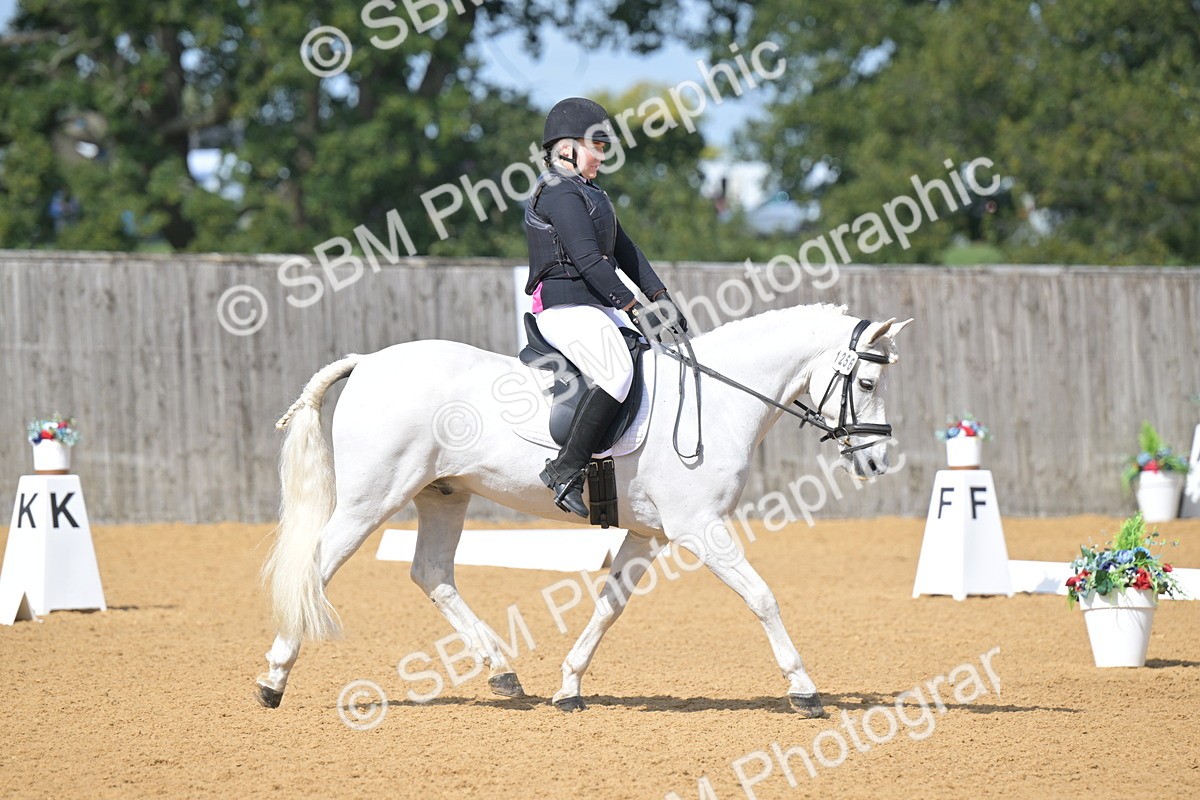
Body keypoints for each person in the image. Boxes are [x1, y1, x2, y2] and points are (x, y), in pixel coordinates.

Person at [524, 97, 688, 517]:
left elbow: (625, 250)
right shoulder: (558, 193)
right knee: (615, 374)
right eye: (596, 144)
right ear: (566, 149)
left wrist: (659, 296)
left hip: (595, 308)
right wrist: (632, 305)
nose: (602, 154)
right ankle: (565, 470)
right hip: (566, 309)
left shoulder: (590, 192)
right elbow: (588, 260)